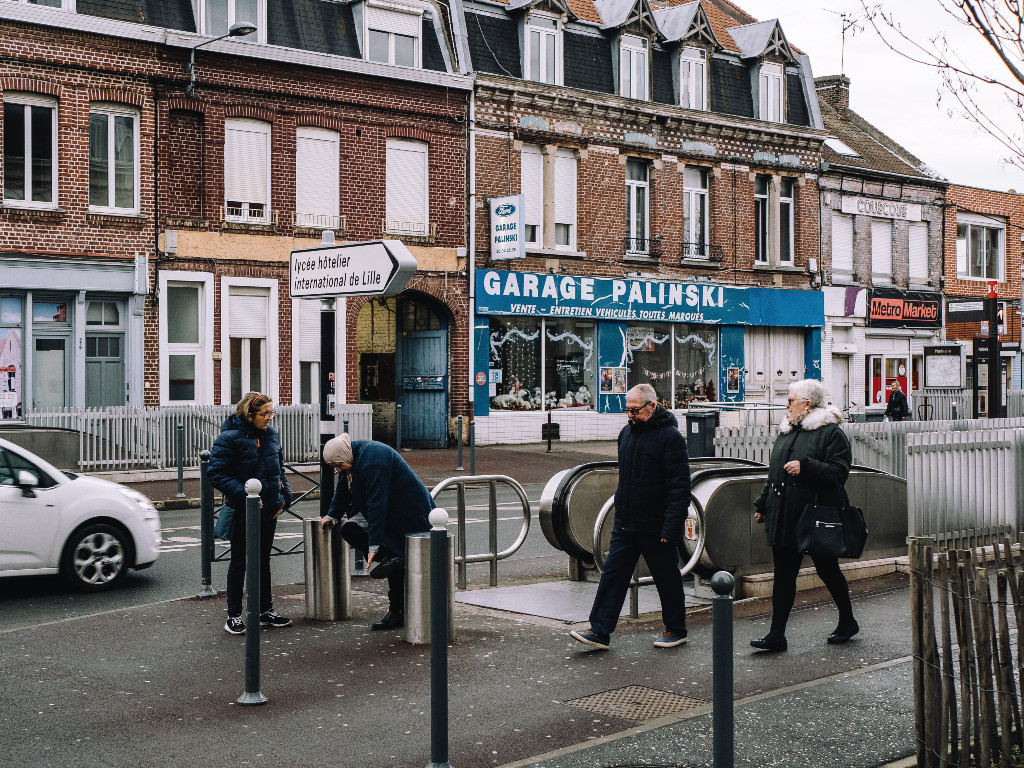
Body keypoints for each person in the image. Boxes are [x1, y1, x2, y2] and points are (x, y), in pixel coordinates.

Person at [570, 383, 691, 651]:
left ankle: (676, 629)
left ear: (652, 406)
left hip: (656, 524)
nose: (630, 416)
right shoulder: (627, 434)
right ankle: (599, 630)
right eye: (627, 410)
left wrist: (670, 527)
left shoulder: (670, 438)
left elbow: (679, 488)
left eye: (635, 411)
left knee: (666, 578)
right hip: (626, 522)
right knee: (613, 575)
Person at [751, 379, 858, 652]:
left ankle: (847, 620)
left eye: (790, 400)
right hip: (785, 514)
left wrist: (806, 467)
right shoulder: (788, 431)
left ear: (807, 404)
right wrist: (763, 504)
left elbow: (839, 472)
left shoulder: (830, 433)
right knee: (784, 575)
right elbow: (774, 475)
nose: (786, 405)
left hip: (815, 516)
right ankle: (777, 635)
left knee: (827, 569)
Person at [320, 434, 433, 631]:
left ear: (344, 456)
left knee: (396, 557)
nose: (338, 470)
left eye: (338, 465)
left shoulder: (373, 458)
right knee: (353, 531)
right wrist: (333, 515)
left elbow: (376, 503)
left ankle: (398, 610)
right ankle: (393, 565)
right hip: (391, 511)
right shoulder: (351, 458)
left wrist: (374, 543)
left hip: (407, 511)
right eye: (334, 467)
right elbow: (343, 490)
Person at [208, 392, 293, 635]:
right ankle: (233, 615)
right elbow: (216, 473)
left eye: (271, 413)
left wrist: (284, 498)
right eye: (264, 414)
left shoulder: (271, 434)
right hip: (244, 509)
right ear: (249, 414)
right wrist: (247, 495)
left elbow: (279, 469)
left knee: (263, 561)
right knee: (240, 562)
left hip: (270, 509)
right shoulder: (229, 438)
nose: (269, 418)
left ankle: (265, 610)